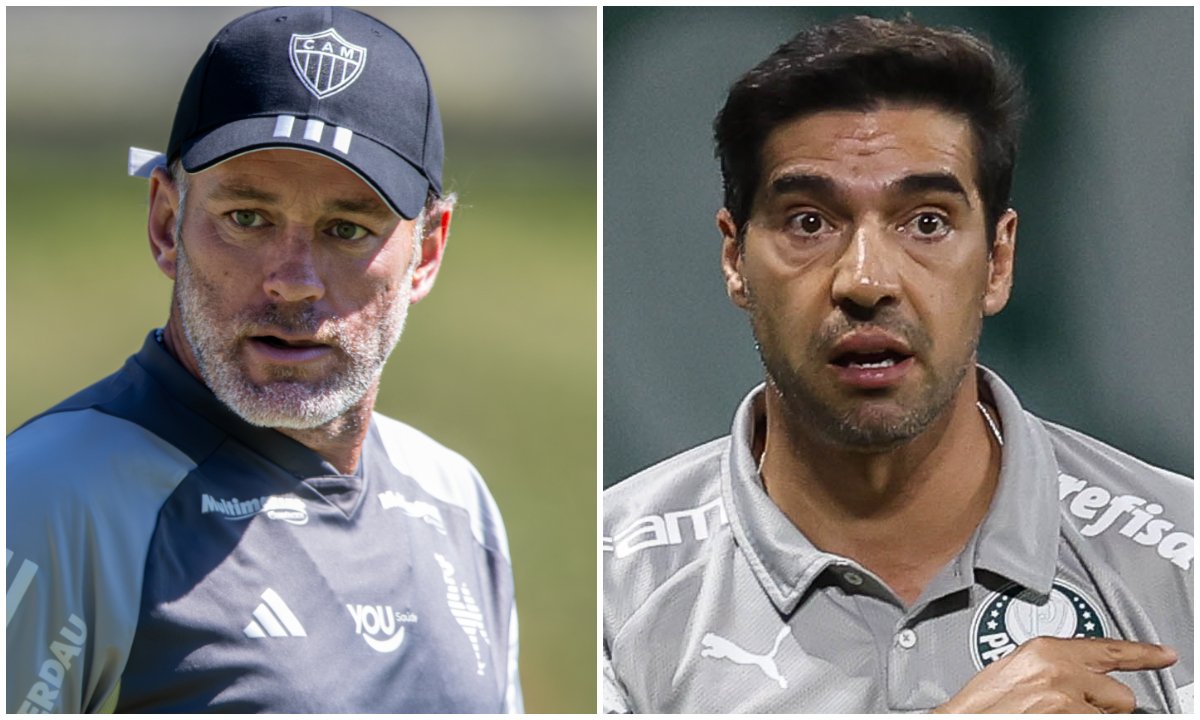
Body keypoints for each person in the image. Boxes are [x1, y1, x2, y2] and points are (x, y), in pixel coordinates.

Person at [602, 15, 1192, 713]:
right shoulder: (612, 579)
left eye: (927, 223)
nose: (865, 279)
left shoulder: (1178, 556)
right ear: (734, 260)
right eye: (809, 222)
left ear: (998, 261)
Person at [7, 7, 521, 713]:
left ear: (426, 253)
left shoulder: (457, 502)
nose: (293, 280)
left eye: (347, 229)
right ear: (166, 222)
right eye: (247, 218)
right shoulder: (47, 500)